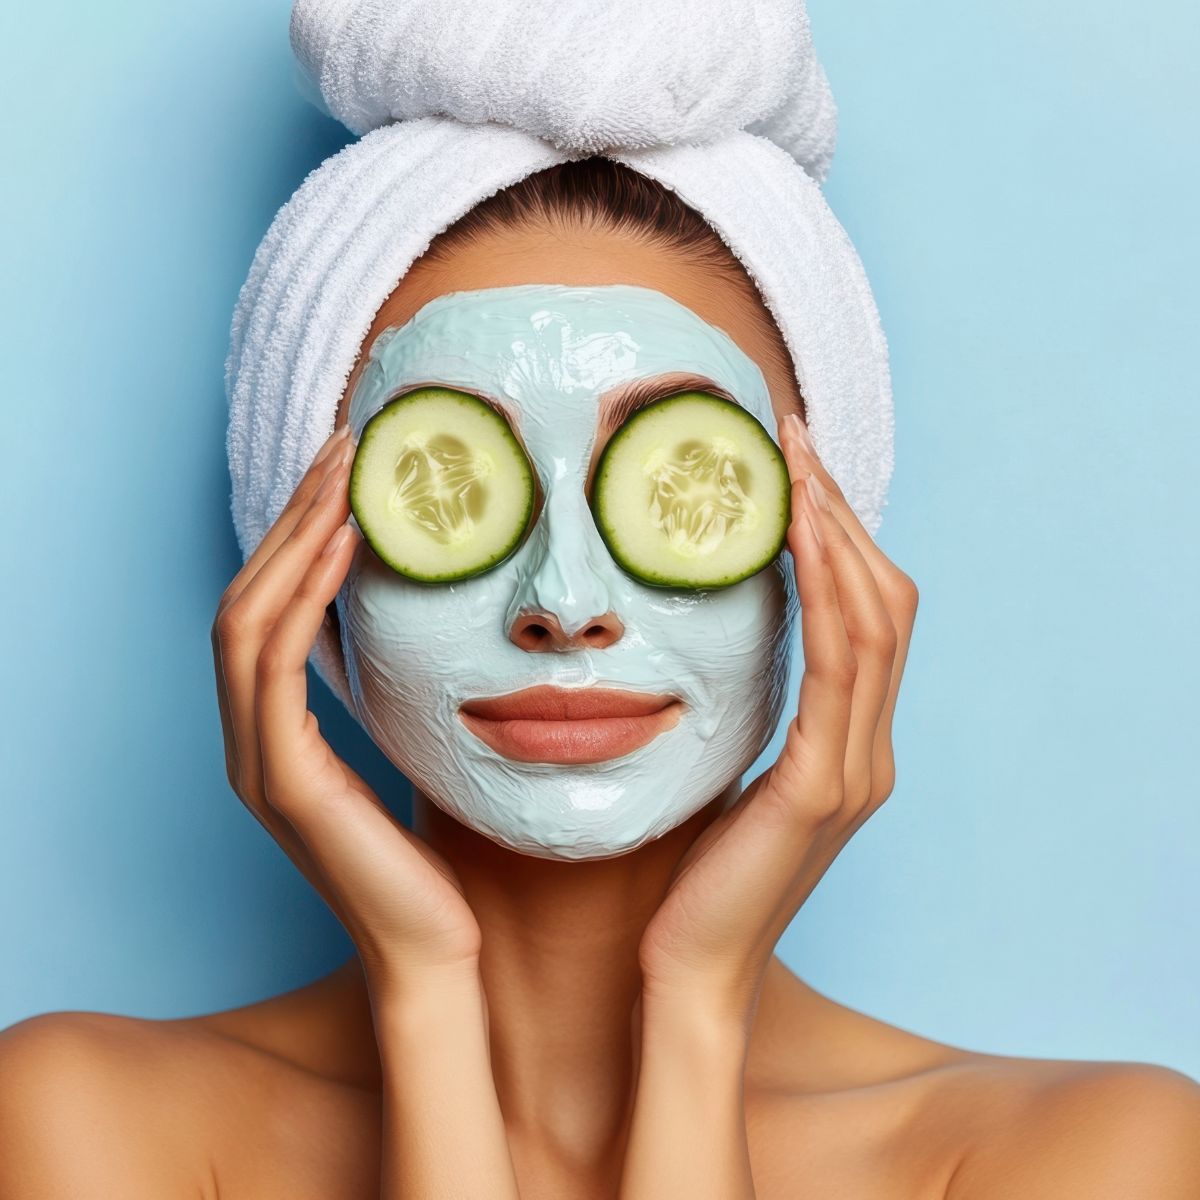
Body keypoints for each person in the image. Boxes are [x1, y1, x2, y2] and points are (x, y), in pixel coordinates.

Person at [2, 154, 1199, 1199]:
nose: (563, 605)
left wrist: (696, 1005)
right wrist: (425, 991)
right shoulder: (80, 1123)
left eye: (686, 485)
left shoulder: (1084, 1157)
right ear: (306, 575)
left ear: (819, 561)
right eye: (449, 482)